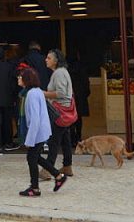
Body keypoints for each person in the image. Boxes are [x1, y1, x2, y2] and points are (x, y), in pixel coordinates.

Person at [18, 68, 68, 197]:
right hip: (42, 130)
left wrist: (30, 139)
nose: (18, 78)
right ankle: (58, 176)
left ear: (26, 79)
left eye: (20, 76)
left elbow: (34, 119)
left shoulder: (31, 94)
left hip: (37, 132)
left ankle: (35, 188)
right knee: (35, 157)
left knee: (31, 158)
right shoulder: (37, 92)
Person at [43, 49, 74, 177]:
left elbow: (61, 92)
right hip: (64, 110)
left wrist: (43, 93)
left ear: (56, 60)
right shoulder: (60, 72)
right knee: (65, 139)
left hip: (59, 111)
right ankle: (67, 166)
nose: (46, 60)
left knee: (53, 141)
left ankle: (47, 169)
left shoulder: (59, 73)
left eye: (49, 58)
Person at [0, 45, 19, 152]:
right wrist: (13, 95)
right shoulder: (9, 66)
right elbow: (13, 83)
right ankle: (8, 142)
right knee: (7, 121)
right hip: (7, 98)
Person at [68, 50, 90, 147]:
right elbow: (86, 82)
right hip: (80, 95)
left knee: (70, 118)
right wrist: (86, 93)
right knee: (79, 117)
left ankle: (72, 137)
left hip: (70, 96)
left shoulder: (67, 69)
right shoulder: (82, 68)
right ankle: (79, 136)